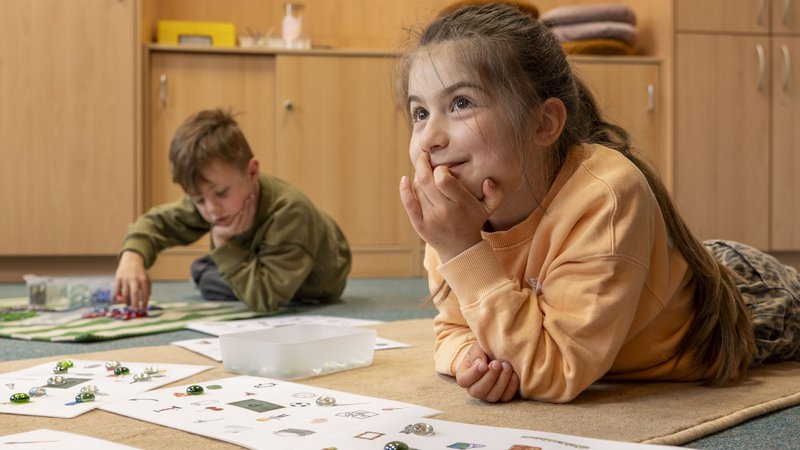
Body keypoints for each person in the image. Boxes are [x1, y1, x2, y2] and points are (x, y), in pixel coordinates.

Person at [396, 2, 800, 403]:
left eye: (461, 103)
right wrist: (472, 357)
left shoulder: (606, 194)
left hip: (747, 302)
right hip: (640, 273)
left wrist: (464, 250)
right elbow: (452, 329)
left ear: (543, 123)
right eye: (419, 112)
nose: (430, 136)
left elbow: (556, 370)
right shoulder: (451, 216)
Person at [115, 108, 352, 313]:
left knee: (214, 273)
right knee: (205, 269)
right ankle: (231, 266)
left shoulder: (290, 212)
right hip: (259, 262)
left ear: (252, 172)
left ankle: (230, 264)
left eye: (221, 193)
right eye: (198, 200)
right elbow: (158, 223)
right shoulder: (212, 199)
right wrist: (132, 257)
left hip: (312, 285)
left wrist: (224, 244)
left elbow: (266, 300)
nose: (212, 209)